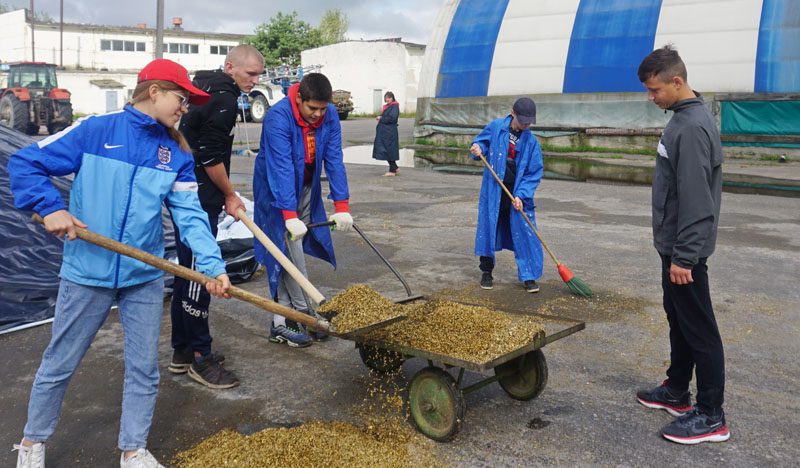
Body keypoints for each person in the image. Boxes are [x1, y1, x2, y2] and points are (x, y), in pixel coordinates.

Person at [8, 59, 231, 468]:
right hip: (87, 271)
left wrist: (213, 266)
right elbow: (26, 163)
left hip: (142, 275)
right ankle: (31, 443)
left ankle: (133, 450)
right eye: (182, 99)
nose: (186, 109)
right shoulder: (97, 130)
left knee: (144, 368)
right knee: (61, 361)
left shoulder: (176, 153)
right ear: (155, 92)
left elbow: (191, 216)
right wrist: (50, 207)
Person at [634, 45, 728, 445]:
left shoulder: (690, 127)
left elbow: (697, 199)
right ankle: (676, 391)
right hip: (673, 247)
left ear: (677, 81)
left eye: (655, 90)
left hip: (683, 252)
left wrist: (685, 257)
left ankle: (711, 415)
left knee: (700, 329)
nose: (650, 97)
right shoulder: (684, 118)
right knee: (680, 320)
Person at [168, 44, 264, 390]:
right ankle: (199, 357)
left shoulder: (204, 87)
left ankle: (182, 350)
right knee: (199, 276)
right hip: (198, 197)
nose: (254, 80)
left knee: (184, 272)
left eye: (258, 74)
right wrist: (228, 193)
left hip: (187, 192)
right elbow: (210, 159)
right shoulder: (223, 101)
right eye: (249, 73)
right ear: (230, 67)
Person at [253, 73, 353, 348]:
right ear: (299, 99)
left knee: (290, 249)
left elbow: (334, 158)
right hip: (274, 189)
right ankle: (298, 314)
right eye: (312, 109)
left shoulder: (329, 114)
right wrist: (288, 214)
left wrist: (341, 205)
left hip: (306, 186)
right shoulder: (278, 117)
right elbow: (282, 167)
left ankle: (289, 318)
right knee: (284, 249)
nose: (318, 115)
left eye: (323, 108)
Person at [469, 97, 544, 293]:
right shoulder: (496, 128)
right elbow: (481, 143)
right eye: (523, 121)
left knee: (525, 232)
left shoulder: (532, 141)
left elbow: (533, 173)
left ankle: (528, 276)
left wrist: (521, 195)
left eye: (529, 122)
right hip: (494, 191)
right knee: (488, 229)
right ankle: (486, 272)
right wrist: (478, 148)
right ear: (513, 113)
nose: (526, 125)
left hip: (516, 194)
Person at [372, 91, 400, 176]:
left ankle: (392, 171)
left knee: (389, 150)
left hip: (389, 132)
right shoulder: (389, 106)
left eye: (389, 98)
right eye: (386, 98)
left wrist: (381, 118)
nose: (387, 99)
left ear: (392, 98)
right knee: (386, 149)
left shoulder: (394, 106)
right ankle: (395, 167)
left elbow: (392, 118)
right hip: (386, 132)